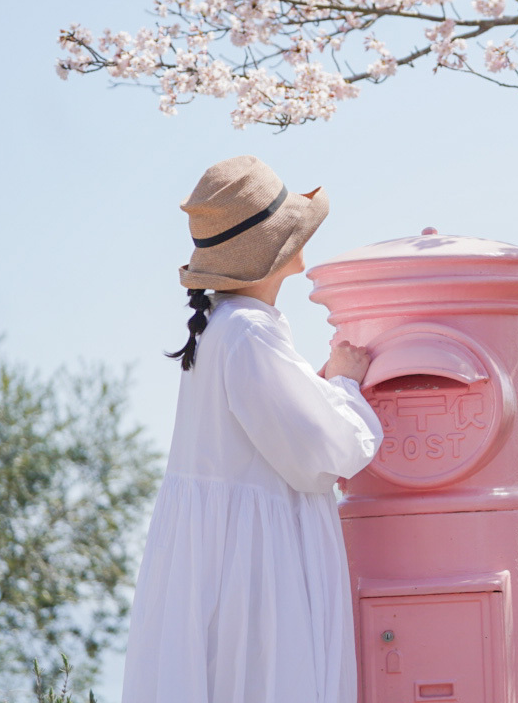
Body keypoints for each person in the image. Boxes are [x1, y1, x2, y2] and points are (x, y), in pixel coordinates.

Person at [121, 156, 385, 703]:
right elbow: (322, 454)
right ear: (273, 249)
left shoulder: (227, 328)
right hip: (257, 567)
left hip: (227, 556)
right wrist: (347, 386)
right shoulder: (246, 333)